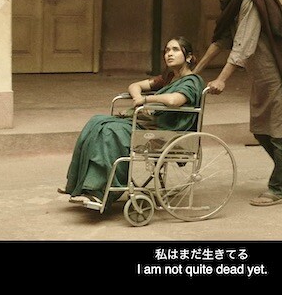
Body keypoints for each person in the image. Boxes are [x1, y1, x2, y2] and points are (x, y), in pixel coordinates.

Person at [193, 0, 282, 207]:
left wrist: (222, 79)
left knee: (277, 131)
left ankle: (278, 188)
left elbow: (242, 46)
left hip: (277, 75)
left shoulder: (251, 1)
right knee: (260, 130)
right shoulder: (234, 3)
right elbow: (222, 40)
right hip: (260, 77)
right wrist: (193, 72)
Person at [58, 36, 204, 207]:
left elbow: (174, 100)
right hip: (147, 124)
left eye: (175, 50)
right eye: (167, 50)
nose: (169, 54)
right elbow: (135, 86)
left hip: (164, 132)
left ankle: (99, 193)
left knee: (110, 131)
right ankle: (77, 185)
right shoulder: (168, 78)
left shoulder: (192, 81)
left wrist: (147, 100)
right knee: (96, 121)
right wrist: (138, 98)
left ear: (188, 57)